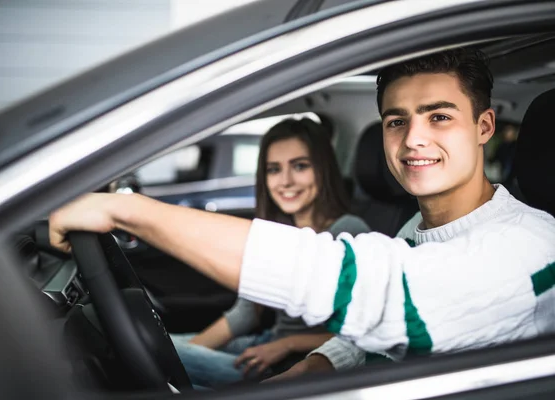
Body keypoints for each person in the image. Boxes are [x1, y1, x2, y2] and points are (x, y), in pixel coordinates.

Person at [49, 48, 555, 371]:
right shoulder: (416, 230)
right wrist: (310, 368)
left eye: (439, 117)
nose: (413, 140)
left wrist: (125, 211)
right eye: (396, 121)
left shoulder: (531, 244)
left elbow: (379, 296)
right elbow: (362, 340)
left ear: (484, 126)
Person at [168, 118, 369, 388]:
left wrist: (289, 344)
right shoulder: (279, 230)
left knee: (155, 356)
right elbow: (246, 313)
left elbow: (365, 332)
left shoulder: (349, 231)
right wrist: (192, 351)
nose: (285, 181)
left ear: (323, 169)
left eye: (300, 166)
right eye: (274, 169)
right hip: (265, 346)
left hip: (296, 363)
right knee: (156, 346)